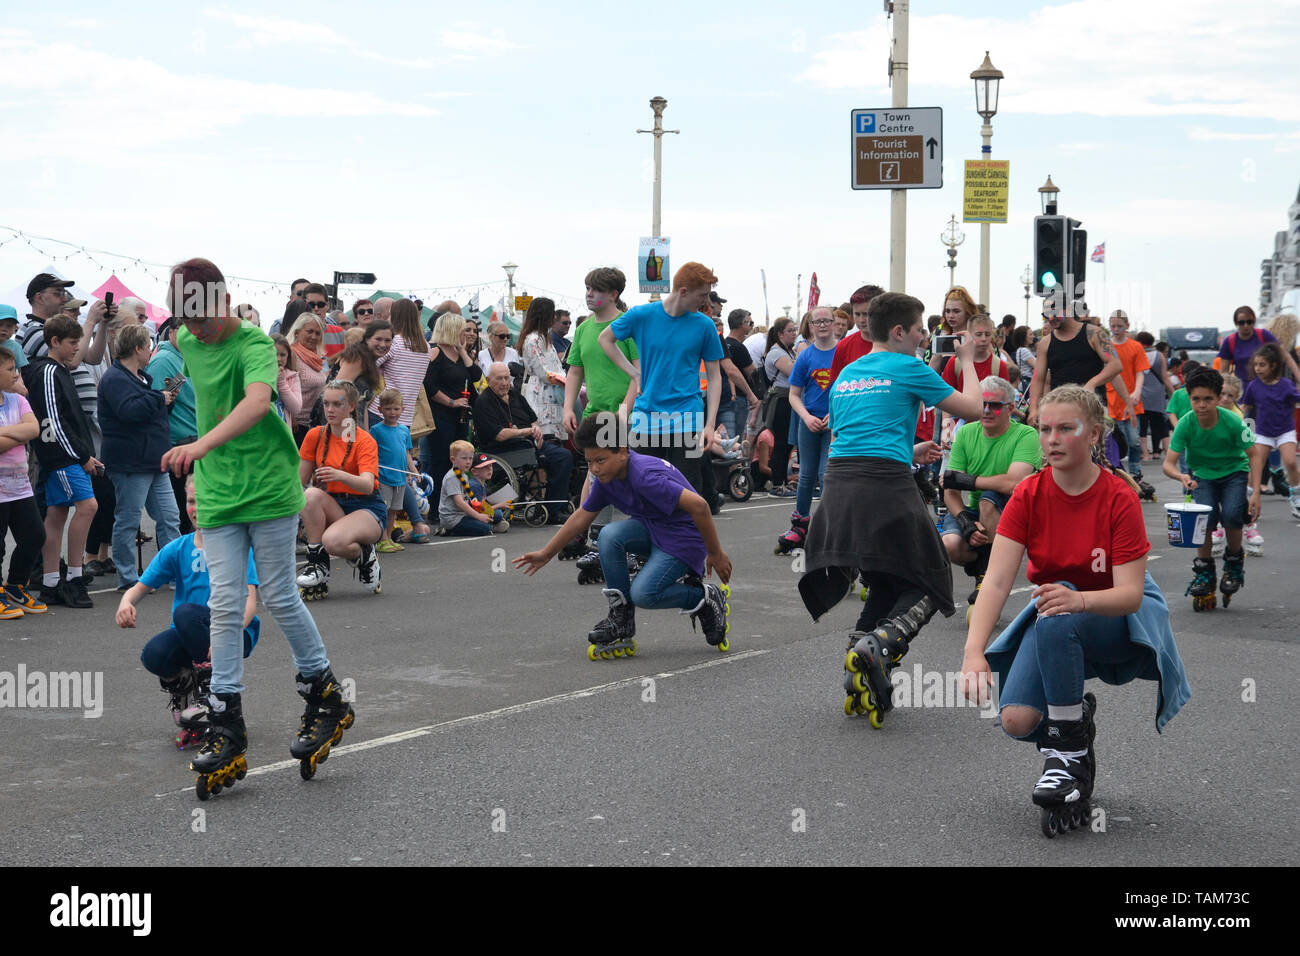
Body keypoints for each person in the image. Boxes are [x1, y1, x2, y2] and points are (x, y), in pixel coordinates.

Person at [161, 256, 353, 796]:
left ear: (222, 300)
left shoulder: (252, 344)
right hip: (219, 490)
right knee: (224, 603)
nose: (194, 328)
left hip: (268, 486)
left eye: (201, 316)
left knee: (277, 593)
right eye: (185, 319)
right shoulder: (187, 340)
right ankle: (225, 722)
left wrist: (200, 444)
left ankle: (325, 694)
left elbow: (256, 400)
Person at [961, 385, 1190, 837]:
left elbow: (1129, 594)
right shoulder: (1028, 493)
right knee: (1017, 719)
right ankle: (1076, 723)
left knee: (1057, 607)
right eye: (1045, 429)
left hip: (1117, 619)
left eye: (1066, 428)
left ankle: (1067, 757)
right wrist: (973, 653)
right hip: (1058, 616)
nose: (1052, 439)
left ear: (1094, 435)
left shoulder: (1117, 495)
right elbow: (999, 582)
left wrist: (1079, 600)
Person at [797, 292, 981, 727]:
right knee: (932, 576)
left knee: (885, 576)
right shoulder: (908, 366)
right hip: (883, 485)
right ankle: (880, 645)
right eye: (919, 330)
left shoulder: (847, 375)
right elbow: (974, 409)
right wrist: (969, 360)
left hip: (839, 486)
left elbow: (855, 438)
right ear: (899, 332)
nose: (924, 337)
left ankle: (857, 660)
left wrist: (911, 449)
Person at [514, 412, 733, 657]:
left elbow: (700, 506)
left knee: (644, 594)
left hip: (683, 538)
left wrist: (715, 553)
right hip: (653, 527)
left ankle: (704, 597)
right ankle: (621, 618)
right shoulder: (607, 478)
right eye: (589, 462)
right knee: (608, 535)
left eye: (600, 460)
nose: (594, 469)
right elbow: (581, 517)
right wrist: (546, 554)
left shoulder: (644, 477)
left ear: (622, 451)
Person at [117, 475, 260, 748]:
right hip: (191, 631)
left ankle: (211, 696)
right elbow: (140, 586)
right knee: (154, 655)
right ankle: (186, 689)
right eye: (192, 501)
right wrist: (126, 602)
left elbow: (249, 603)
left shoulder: (237, 545)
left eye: (204, 501)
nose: (196, 508)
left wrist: (226, 637)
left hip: (234, 631)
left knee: (185, 613)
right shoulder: (178, 548)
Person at [598, 261, 725, 497]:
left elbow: (715, 376)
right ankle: (648, 533)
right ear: (684, 291)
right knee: (644, 486)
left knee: (687, 491)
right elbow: (605, 340)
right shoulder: (641, 315)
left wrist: (709, 424)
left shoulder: (705, 325)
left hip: (688, 417)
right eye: (703, 295)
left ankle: (687, 534)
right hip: (647, 415)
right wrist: (634, 374)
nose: (706, 302)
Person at [939, 376, 1041, 616]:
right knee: (949, 544)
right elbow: (950, 490)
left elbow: (1013, 483)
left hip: (1015, 511)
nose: (986, 410)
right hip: (977, 511)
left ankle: (989, 576)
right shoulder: (965, 433)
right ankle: (982, 571)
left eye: (994, 405)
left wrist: (968, 481)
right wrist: (965, 521)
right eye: (982, 404)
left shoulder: (1026, 434)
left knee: (988, 499)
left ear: (1011, 408)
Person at [1161, 367, 1257, 611]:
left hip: (1235, 471)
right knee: (1203, 520)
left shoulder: (1233, 421)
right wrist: (1181, 476)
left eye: (1208, 399)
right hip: (1202, 475)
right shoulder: (1185, 423)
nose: (1201, 405)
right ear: (1188, 397)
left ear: (1217, 398)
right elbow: (1168, 464)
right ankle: (1204, 571)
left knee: (1233, 515)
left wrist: (1255, 492)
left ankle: (1234, 563)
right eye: (1196, 399)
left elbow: (1253, 455)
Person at [22, 316, 100, 608]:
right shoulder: (48, 372)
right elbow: (53, 421)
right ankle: (75, 578)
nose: (76, 347)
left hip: (63, 455)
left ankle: (52, 583)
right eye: (72, 342)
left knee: (55, 515)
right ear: (54, 341)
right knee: (88, 507)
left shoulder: (59, 371)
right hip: (62, 457)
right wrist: (81, 456)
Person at [97, 323, 183, 590]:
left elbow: (146, 414)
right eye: (147, 345)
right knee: (129, 520)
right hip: (130, 463)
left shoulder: (141, 377)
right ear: (137, 348)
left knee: (170, 517)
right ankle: (128, 578)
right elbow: (128, 412)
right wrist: (159, 398)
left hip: (154, 460)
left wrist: (165, 401)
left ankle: (173, 573)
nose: (150, 350)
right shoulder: (115, 378)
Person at [561, 267, 638, 557]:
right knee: (595, 474)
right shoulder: (583, 329)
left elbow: (637, 374)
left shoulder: (626, 326)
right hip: (593, 413)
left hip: (625, 414)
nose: (589, 294)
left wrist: (624, 413)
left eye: (595, 290)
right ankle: (589, 535)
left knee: (620, 475)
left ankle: (624, 539)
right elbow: (575, 372)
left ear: (613, 294)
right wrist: (569, 406)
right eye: (587, 288)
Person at [295, 381, 385, 599]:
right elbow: (299, 481)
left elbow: (366, 484)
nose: (330, 410)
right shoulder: (315, 435)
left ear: (352, 406)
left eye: (337, 404)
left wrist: (339, 475)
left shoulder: (363, 439)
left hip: (366, 507)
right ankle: (318, 565)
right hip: (334, 503)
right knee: (310, 495)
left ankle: (365, 554)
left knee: (333, 541)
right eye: (326, 404)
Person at [473, 362, 573, 522]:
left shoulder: (515, 395)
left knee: (564, 455)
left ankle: (556, 504)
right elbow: (499, 435)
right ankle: (553, 511)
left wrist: (537, 432)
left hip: (528, 444)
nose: (505, 382)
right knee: (558, 458)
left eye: (507, 378)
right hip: (504, 449)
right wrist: (527, 432)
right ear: (489, 379)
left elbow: (533, 420)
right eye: (499, 379)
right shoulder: (484, 402)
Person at [776, 305, 837, 553]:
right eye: (816, 322)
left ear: (833, 323)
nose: (822, 325)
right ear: (810, 326)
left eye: (826, 321)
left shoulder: (842, 353)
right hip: (808, 422)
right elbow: (794, 395)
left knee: (826, 474)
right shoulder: (805, 356)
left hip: (834, 422)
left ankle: (829, 525)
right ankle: (800, 523)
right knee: (806, 474)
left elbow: (851, 390)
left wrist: (833, 416)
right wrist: (807, 417)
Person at [0, 347, 46, 617]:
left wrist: (8, 432)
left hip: (19, 487)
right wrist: (18, 434)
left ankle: (16, 585)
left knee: (35, 535)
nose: (16, 374)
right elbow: (24, 432)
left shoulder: (17, 401)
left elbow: (33, 429)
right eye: (9, 370)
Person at [1026, 303, 1127, 427]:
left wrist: (1092, 383)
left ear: (1068, 309)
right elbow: (1038, 379)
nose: (1050, 318)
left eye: (1054, 313)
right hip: (1059, 410)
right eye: (1046, 315)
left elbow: (1115, 365)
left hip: (1091, 408)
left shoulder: (1093, 333)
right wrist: (1033, 409)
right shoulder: (1045, 343)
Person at [148, 317, 200, 534]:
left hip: (194, 442)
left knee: (190, 512)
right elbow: (155, 403)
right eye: (185, 329)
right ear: (172, 333)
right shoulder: (163, 360)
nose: (191, 334)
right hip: (178, 445)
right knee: (179, 513)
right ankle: (177, 563)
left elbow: (175, 391)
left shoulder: (183, 357)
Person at [420, 310, 483, 480]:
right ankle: (435, 505)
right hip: (441, 416)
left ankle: (455, 500)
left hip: (460, 417)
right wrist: (451, 402)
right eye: (463, 330)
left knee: (460, 463)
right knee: (441, 463)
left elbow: (477, 376)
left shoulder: (460, 354)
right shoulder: (436, 352)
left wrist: (462, 351)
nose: (467, 334)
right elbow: (427, 385)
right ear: (452, 330)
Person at [1241, 343, 1300, 520]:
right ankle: (1248, 501)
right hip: (1263, 432)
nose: (1257, 368)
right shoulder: (1253, 386)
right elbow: (1246, 408)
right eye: (1256, 365)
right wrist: (1243, 428)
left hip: (1284, 430)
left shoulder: (1286, 385)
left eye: (1262, 365)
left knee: (1290, 462)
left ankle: (1296, 497)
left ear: (1273, 365)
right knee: (1255, 468)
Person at [371, 388, 431, 549]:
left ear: (403, 410)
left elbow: (406, 453)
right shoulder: (376, 430)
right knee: (384, 508)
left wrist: (413, 470)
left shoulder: (404, 430)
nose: (392, 412)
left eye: (396, 409)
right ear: (380, 409)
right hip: (383, 476)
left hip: (400, 478)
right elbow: (372, 453)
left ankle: (388, 538)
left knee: (394, 510)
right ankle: (381, 539)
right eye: (388, 409)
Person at [1103, 310, 1152, 492]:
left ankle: (1136, 474)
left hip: (1131, 400)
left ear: (1127, 326)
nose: (1116, 329)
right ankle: (1116, 473)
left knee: (1134, 441)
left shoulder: (1135, 347)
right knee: (1111, 441)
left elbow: (1140, 371)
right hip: (1110, 399)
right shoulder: (1106, 346)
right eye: (1113, 326)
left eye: (1119, 326)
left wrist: (1137, 391)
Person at [367, 298, 427, 431]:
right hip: (405, 413)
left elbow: (369, 365)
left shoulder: (395, 342)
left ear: (394, 316)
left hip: (382, 409)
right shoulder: (426, 347)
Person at [518, 297, 568, 442]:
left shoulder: (544, 337)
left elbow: (556, 366)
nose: (553, 317)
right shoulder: (533, 340)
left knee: (556, 437)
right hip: (541, 391)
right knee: (546, 437)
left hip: (552, 391)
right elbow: (542, 371)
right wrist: (562, 379)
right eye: (551, 313)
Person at [761, 317, 798, 497]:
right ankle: (777, 484)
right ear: (780, 333)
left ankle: (783, 481)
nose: (794, 333)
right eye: (790, 330)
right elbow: (795, 372)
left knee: (787, 443)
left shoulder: (789, 352)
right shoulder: (777, 353)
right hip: (781, 400)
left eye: (795, 330)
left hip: (788, 399)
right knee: (781, 443)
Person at [439, 443, 509, 536]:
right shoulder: (452, 478)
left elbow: (473, 503)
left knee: (497, 514)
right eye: (464, 458)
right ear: (453, 459)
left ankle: (487, 525)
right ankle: (449, 530)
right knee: (484, 528)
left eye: (470, 458)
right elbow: (460, 503)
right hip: (453, 519)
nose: (468, 462)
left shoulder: (464, 476)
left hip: (463, 515)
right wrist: (479, 516)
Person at [1216, 305, 1300, 384]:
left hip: (1265, 386)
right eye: (1241, 323)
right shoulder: (1230, 341)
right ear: (1236, 323)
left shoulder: (1263, 335)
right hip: (1242, 390)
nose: (1246, 325)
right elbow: (1224, 372)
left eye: (1249, 322)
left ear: (1254, 321)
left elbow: (1286, 357)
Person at [828, 285, 884, 384]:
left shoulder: (897, 344)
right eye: (857, 314)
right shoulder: (843, 346)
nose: (861, 320)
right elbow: (836, 387)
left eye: (866, 314)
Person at [287, 311, 328, 445]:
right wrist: (291, 418)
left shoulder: (317, 358)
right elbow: (283, 389)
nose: (313, 337)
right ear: (297, 332)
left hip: (312, 425)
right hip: (295, 426)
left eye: (317, 333)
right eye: (309, 331)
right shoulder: (291, 355)